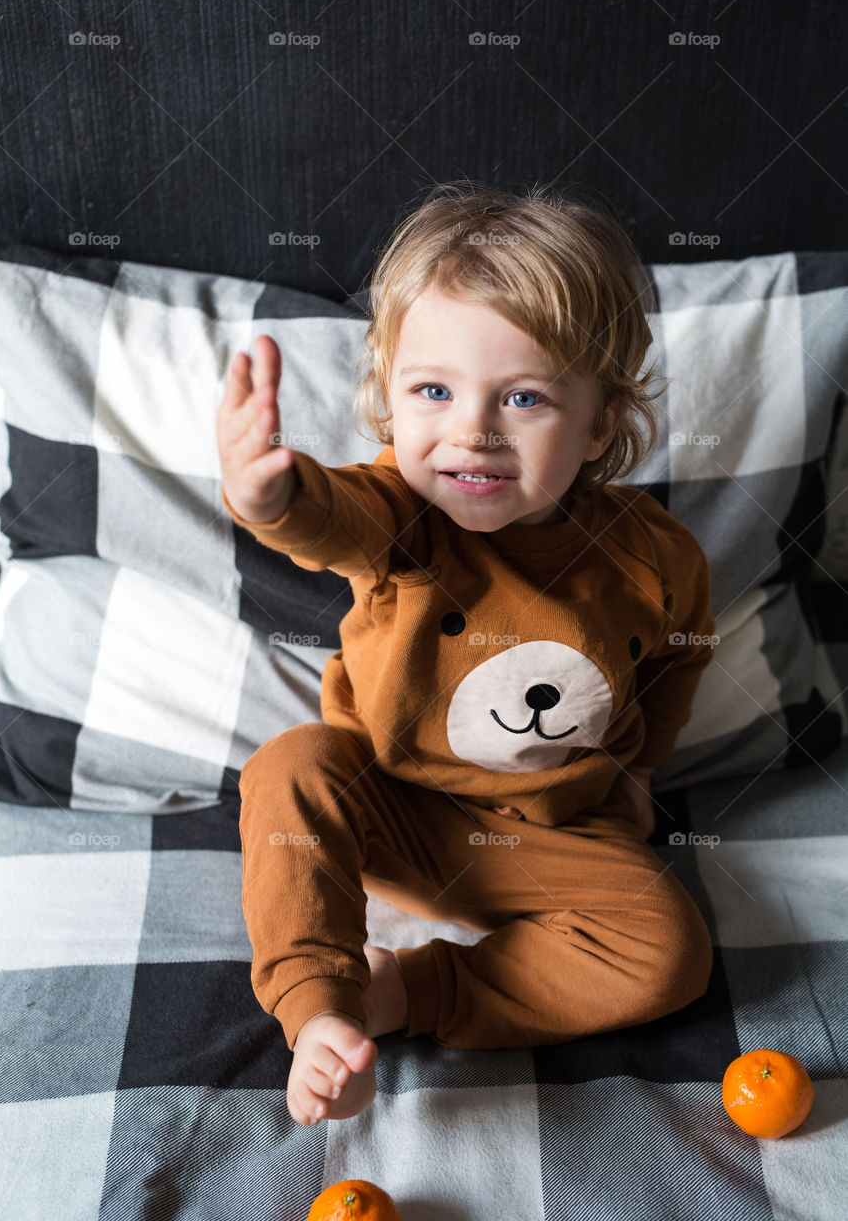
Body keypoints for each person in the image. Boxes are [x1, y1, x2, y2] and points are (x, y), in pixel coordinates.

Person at [217, 181, 716, 1128]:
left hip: (555, 833)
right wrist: (267, 495)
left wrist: (644, 766)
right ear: (390, 399)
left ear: (600, 423)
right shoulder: (401, 521)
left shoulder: (655, 557)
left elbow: (676, 661)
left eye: (522, 397)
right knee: (290, 769)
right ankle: (319, 1007)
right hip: (390, 818)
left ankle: (404, 992)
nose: (471, 431)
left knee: (669, 953)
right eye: (434, 392)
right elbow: (328, 517)